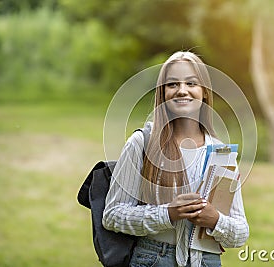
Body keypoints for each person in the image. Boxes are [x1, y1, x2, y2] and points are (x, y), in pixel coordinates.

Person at [102, 51, 249, 267]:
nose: (182, 91)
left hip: (206, 261)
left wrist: (215, 220)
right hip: (153, 259)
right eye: (172, 84)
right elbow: (112, 215)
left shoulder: (221, 153)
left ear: (204, 92)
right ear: (162, 93)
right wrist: (167, 214)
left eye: (191, 83)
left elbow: (240, 232)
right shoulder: (142, 143)